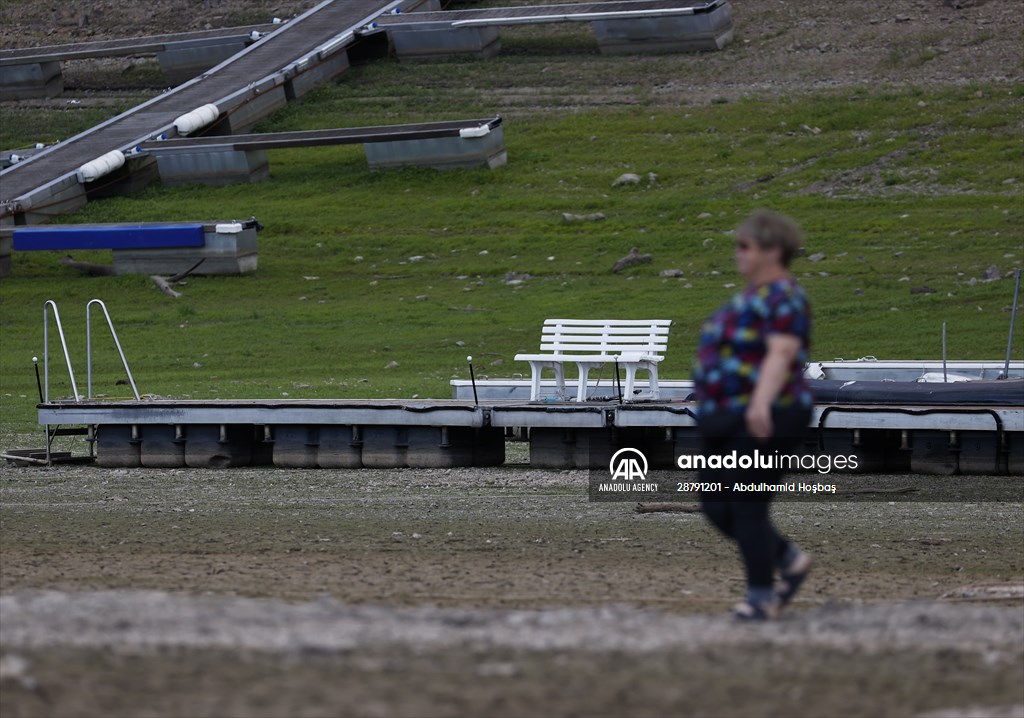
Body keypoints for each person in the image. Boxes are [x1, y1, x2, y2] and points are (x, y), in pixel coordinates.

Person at [691, 210, 815, 621]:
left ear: (773, 250)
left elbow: (781, 352)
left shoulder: (785, 297)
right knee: (714, 504)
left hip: (770, 413)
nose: (738, 255)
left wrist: (761, 402)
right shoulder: (748, 297)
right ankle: (788, 558)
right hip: (725, 417)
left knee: (746, 502)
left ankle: (761, 596)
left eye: (746, 246)